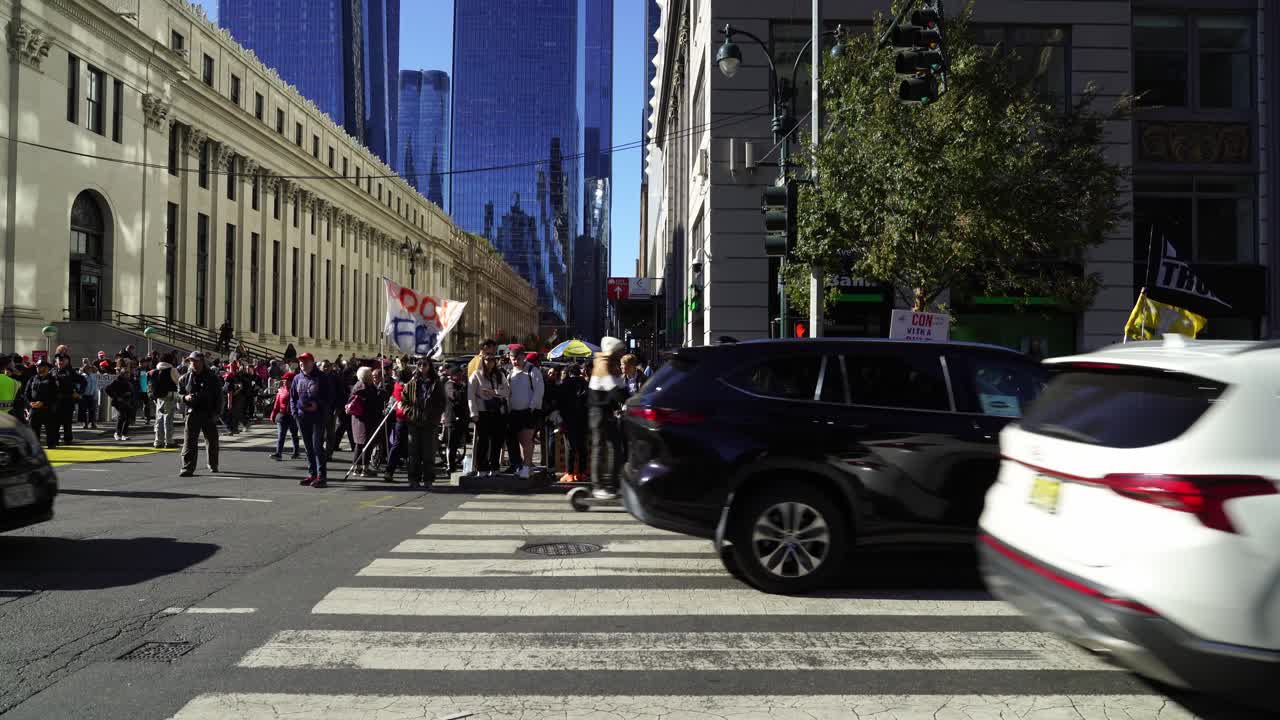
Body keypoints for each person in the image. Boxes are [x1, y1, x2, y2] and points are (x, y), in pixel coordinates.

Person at [589, 336, 629, 500]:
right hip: (598, 412)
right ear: (613, 351)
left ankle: (612, 484)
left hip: (607, 412)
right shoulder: (602, 364)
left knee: (615, 448)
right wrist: (630, 400)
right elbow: (616, 390)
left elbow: (622, 388)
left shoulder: (611, 365)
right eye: (620, 351)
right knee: (600, 448)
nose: (622, 354)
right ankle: (599, 486)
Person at [399, 357, 446, 488]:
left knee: (428, 453)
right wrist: (409, 413)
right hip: (414, 422)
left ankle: (428, 480)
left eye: (424, 364)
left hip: (430, 424)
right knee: (413, 453)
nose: (421, 367)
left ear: (429, 366)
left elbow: (442, 402)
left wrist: (435, 417)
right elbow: (403, 401)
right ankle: (413, 479)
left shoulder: (436, 383)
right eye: (419, 364)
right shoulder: (412, 383)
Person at [291, 352, 335, 488]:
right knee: (308, 447)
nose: (302, 364)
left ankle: (322, 477)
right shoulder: (297, 378)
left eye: (305, 362)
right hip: (302, 417)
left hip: (318, 417)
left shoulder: (321, 378)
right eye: (300, 362)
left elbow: (329, 398)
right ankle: (312, 474)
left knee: (317, 446)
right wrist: (295, 413)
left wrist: (318, 405)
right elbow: (293, 397)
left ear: (312, 362)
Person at [178, 351, 221, 477]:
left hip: (209, 412)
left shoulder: (212, 377)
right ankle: (187, 468)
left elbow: (219, 397)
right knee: (189, 442)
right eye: (191, 361)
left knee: (212, 440)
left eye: (196, 361)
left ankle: (213, 464)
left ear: (202, 362)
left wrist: (217, 412)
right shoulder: (185, 378)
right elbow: (179, 394)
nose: (193, 363)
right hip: (192, 413)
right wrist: (185, 398)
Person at [505, 345, 544, 479]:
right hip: (513, 411)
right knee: (517, 441)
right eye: (512, 359)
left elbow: (539, 392)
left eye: (518, 358)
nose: (515, 361)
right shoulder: (510, 373)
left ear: (524, 357)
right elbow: (508, 392)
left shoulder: (533, 371)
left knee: (527, 441)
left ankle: (527, 467)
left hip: (528, 411)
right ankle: (522, 466)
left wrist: (531, 408)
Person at [467, 352, 509, 477]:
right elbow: (470, 396)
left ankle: (495, 466)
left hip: (497, 411)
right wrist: (473, 413)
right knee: (483, 441)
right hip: (482, 412)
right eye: (487, 360)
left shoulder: (500, 375)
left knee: (497, 440)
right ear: (482, 361)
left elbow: (507, 391)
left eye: (492, 360)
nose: (490, 362)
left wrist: (494, 392)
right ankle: (482, 467)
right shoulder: (476, 375)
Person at [347, 366, 383, 477]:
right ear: (367, 377)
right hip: (366, 419)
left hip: (358, 419)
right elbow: (373, 404)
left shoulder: (358, 386)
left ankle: (357, 468)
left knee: (359, 444)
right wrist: (381, 394)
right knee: (367, 444)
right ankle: (365, 468)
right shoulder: (366, 388)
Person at [557, 363, 589, 483]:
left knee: (569, 446)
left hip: (568, 419)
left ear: (569, 372)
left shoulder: (565, 384)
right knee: (582, 446)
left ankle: (570, 473)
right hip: (583, 419)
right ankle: (581, 473)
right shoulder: (586, 383)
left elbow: (560, 402)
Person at [51, 353, 85, 445]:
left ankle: (67, 439)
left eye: (63, 360)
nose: (61, 362)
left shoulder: (70, 372)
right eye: (59, 360)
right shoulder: (52, 371)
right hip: (55, 400)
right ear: (56, 361)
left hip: (67, 400)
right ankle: (55, 438)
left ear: (67, 361)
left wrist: (79, 393)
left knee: (67, 421)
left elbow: (83, 381)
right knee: (55, 421)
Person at [149, 353, 181, 449]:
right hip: (170, 396)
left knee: (159, 419)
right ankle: (169, 441)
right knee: (168, 419)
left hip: (159, 397)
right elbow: (178, 381)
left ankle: (158, 441)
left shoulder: (155, 371)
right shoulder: (172, 370)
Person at [442, 366, 470, 473]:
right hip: (452, 418)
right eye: (458, 374)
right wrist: (462, 392)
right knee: (451, 444)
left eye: (461, 374)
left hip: (461, 418)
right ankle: (450, 465)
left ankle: (453, 463)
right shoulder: (449, 385)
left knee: (458, 442)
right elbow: (454, 396)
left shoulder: (461, 385)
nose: (461, 376)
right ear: (453, 375)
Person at [25, 360, 59, 446]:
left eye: (40, 366)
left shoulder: (52, 380)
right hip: (34, 409)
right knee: (33, 433)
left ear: (46, 368)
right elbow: (26, 393)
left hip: (47, 409)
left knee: (51, 433)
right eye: (37, 366)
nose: (38, 368)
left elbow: (55, 395)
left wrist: (44, 403)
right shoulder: (32, 379)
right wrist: (30, 403)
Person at [269, 371, 301, 460]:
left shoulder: (298, 391)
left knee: (294, 434)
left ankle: (296, 452)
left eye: (286, 380)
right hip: (282, 416)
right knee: (281, 435)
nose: (284, 381)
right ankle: (278, 453)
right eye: (283, 380)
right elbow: (277, 404)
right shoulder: (281, 390)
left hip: (293, 416)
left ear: (292, 381)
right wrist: (273, 415)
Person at [103, 362, 138, 441]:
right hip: (119, 402)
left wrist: (130, 396)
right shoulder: (117, 381)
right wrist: (117, 397)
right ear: (122, 374)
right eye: (126, 373)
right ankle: (117, 433)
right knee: (122, 416)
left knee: (128, 417)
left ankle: (124, 434)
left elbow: (132, 392)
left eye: (128, 373)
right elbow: (107, 389)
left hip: (127, 401)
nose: (127, 375)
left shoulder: (129, 381)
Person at [78, 360, 99, 430]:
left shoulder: (93, 376)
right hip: (84, 395)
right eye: (87, 368)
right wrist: (79, 394)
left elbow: (95, 385)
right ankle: (85, 423)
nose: (89, 369)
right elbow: (78, 385)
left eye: (90, 368)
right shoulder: (82, 376)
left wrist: (95, 394)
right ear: (84, 369)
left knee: (92, 410)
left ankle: (92, 422)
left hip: (91, 395)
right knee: (83, 410)